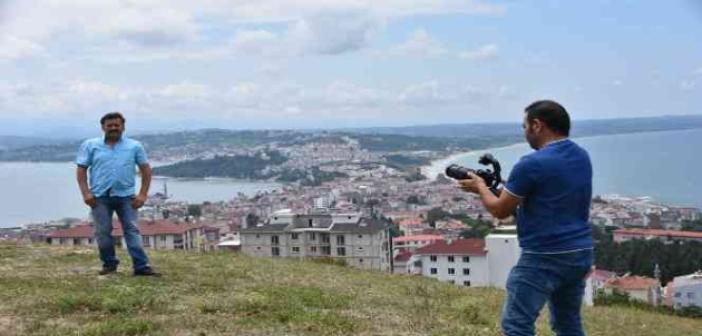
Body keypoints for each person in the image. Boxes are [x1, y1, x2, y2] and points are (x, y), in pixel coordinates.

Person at [459, 100, 593, 336]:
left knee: (517, 325)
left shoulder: (531, 164)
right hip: (579, 251)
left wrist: (480, 187)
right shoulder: (581, 156)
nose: (524, 132)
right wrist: (496, 190)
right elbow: (535, 202)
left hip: (544, 255)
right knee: (567, 323)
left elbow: (499, 211)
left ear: (537, 125)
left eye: (525, 126)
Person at [76, 112, 160, 277]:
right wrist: (86, 193)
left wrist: (142, 195)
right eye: (110, 125)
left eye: (117, 125)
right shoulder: (90, 145)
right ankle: (109, 265)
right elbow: (81, 170)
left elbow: (146, 171)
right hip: (99, 197)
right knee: (102, 232)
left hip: (126, 197)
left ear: (123, 126)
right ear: (103, 127)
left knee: (132, 230)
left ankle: (141, 267)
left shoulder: (134, 146)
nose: (113, 128)